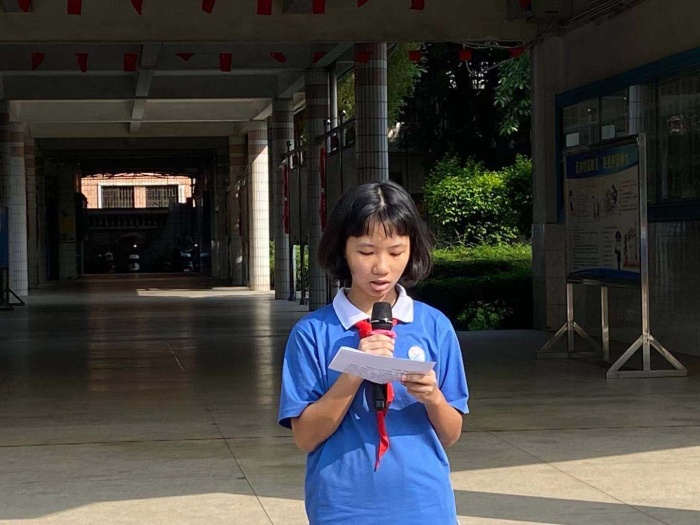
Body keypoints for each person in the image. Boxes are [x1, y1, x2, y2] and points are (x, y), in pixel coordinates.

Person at [278, 181, 469, 525]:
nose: (382, 267)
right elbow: (305, 437)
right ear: (343, 249)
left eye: (396, 252)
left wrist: (433, 398)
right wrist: (355, 370)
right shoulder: (312, 333)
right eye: (366, 252)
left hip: (425, 504)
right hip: (342, 507)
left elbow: (451, 433)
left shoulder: (434, 326)